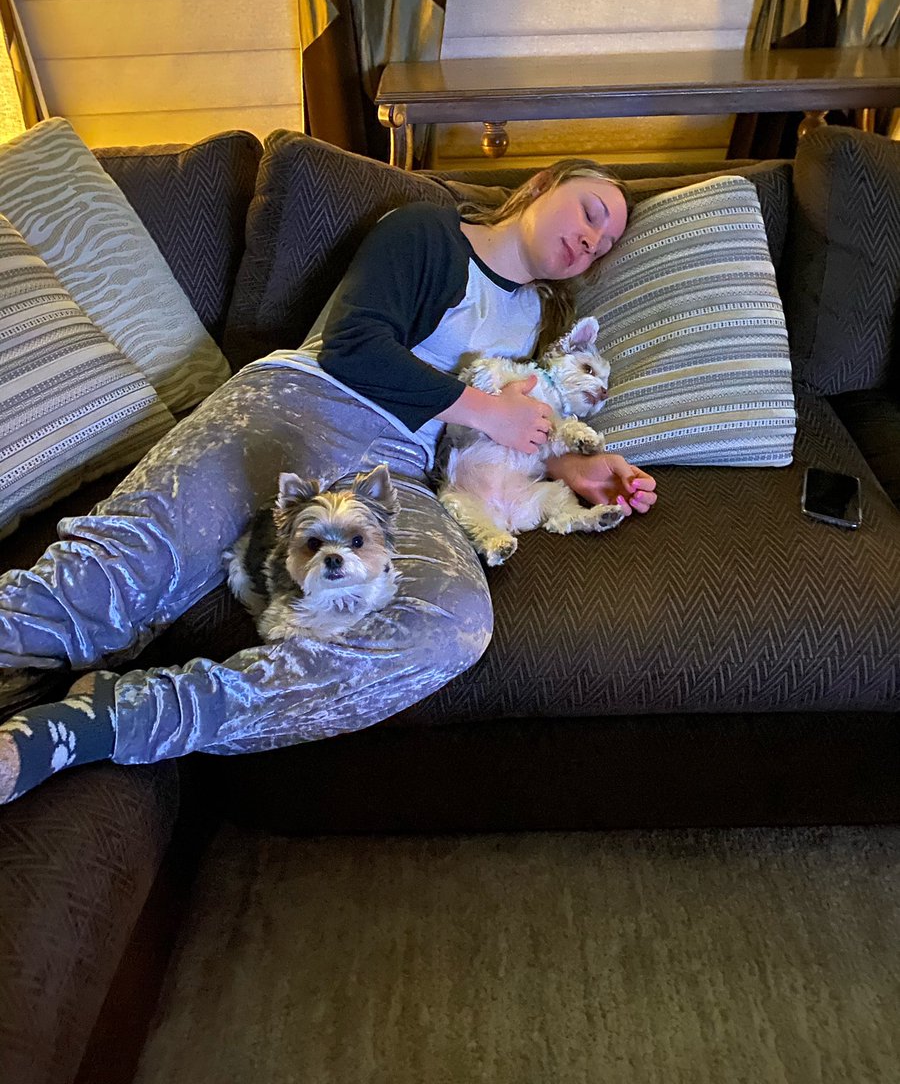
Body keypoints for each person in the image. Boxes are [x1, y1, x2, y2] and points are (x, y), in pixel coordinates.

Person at [0, 158, 657, 805]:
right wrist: (487, 409)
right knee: (108, 579)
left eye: (605, 244)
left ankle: (104, 721)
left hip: (396, 472)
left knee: (450, 627)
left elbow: (502, 430)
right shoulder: (427, 231)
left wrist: (571, 466)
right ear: (540, 186)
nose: (591, 241)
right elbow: (354, 345)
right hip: (294, 403)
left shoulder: (542, 321)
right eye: (590, 213)